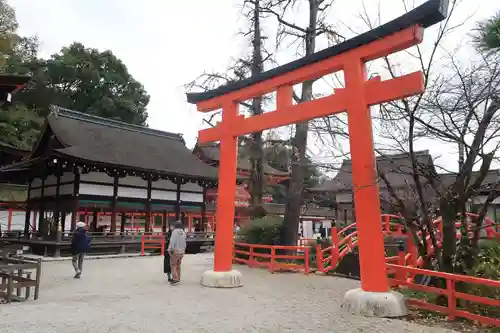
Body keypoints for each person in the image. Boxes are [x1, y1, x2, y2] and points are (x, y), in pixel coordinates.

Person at [168, 221, 186, 285]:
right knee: (178, 265)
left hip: (175, 251)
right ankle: (178, 278)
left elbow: (172, 241)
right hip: (181, 251)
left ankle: (175, 279)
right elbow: (185, 243)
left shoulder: (174, 232)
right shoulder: (183, 232)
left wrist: (170, 249)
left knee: (173, 265)